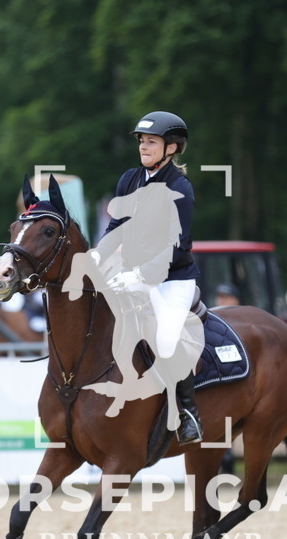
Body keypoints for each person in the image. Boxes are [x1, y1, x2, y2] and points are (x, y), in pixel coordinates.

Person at [99, 111, 203, 445]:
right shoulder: (129, 179)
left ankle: (189, 414)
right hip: (132, 275)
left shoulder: (179, 187)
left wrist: (141, 274)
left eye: (152, 142)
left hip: (173, 280)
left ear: (171, 147)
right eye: (142, 141)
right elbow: (116, 228)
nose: (144, 146)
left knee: (166, 340)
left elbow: (180, 246)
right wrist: (97, 258)